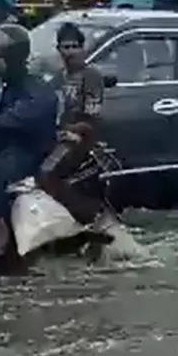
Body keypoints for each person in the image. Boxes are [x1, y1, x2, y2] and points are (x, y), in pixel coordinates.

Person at [0, 24, 59, 266]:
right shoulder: (0, 82)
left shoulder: (36, 89)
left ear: (11, 58)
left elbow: (17, 119)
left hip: (28, 150)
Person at [37, 22, 105, 225]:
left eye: (74, 46)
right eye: (65, 47)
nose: (70, 52)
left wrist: (69, 131)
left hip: (82, 137)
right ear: (58, 50)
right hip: (57, 135)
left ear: (82, 48)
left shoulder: (91, 76)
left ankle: (71, 220)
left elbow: (92, 116)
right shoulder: (57, 78)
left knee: (47, 172)